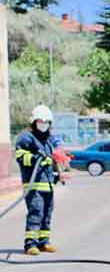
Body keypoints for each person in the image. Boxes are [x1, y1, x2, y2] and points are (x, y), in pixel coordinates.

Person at [14, 105, 59, 255]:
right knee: (36, 212)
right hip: (33, 184)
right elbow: (20, 157)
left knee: (47, 213)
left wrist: (57, 171)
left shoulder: (49, 139)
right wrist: (36, 159)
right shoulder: (26, 138)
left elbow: (53, 158)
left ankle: (43, 242)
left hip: (48, 184)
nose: (44, 124)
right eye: (41, 121)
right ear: (34, 122)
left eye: (47, 122)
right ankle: (30, 244)